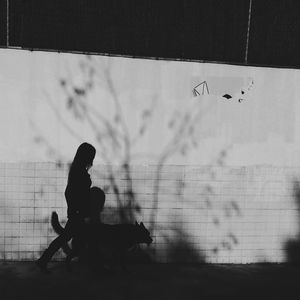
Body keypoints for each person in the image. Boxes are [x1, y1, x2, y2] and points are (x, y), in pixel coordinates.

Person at [36, 142, 96, 273]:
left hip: (78, 212)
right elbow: (70, 192)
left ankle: (45, 260)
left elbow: (71, 192)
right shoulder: (78, 171)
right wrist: (76, 210)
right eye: (91, 156)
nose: (92, 160)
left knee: (67, 237)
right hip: (78, 213)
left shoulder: (78, 169)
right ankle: (93, 266)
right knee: (75, 238)